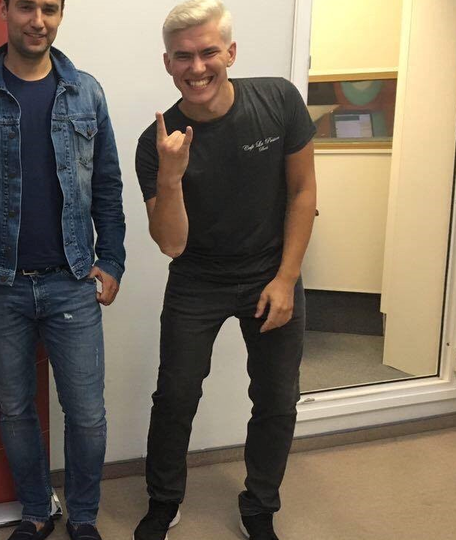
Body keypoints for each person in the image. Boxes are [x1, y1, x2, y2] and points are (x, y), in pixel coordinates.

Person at [0, 1, 126, 539]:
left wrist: (111, 258)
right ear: (4, 10)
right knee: (16, 410)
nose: (37, 20)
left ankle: (83, 516)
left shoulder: (86, 92)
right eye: (26, 6)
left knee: (86, 414)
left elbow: (107, 185)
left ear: (61, 14)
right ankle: (37, 510)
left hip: (72, 281)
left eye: (49, 8)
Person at [133, 1, 317, 539]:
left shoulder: (278, 100)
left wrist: (286, 279)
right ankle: (164, 501)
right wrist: (170, 176)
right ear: (167, 63)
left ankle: (259, 505)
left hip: (271, 269)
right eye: (183, 57)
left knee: (277, 396)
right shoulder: (156, 142)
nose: (197, 68)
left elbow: (303, 193)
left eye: (208, 52)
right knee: (175, 396)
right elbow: (172, 244)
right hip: (198, 278)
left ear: (230, 53)